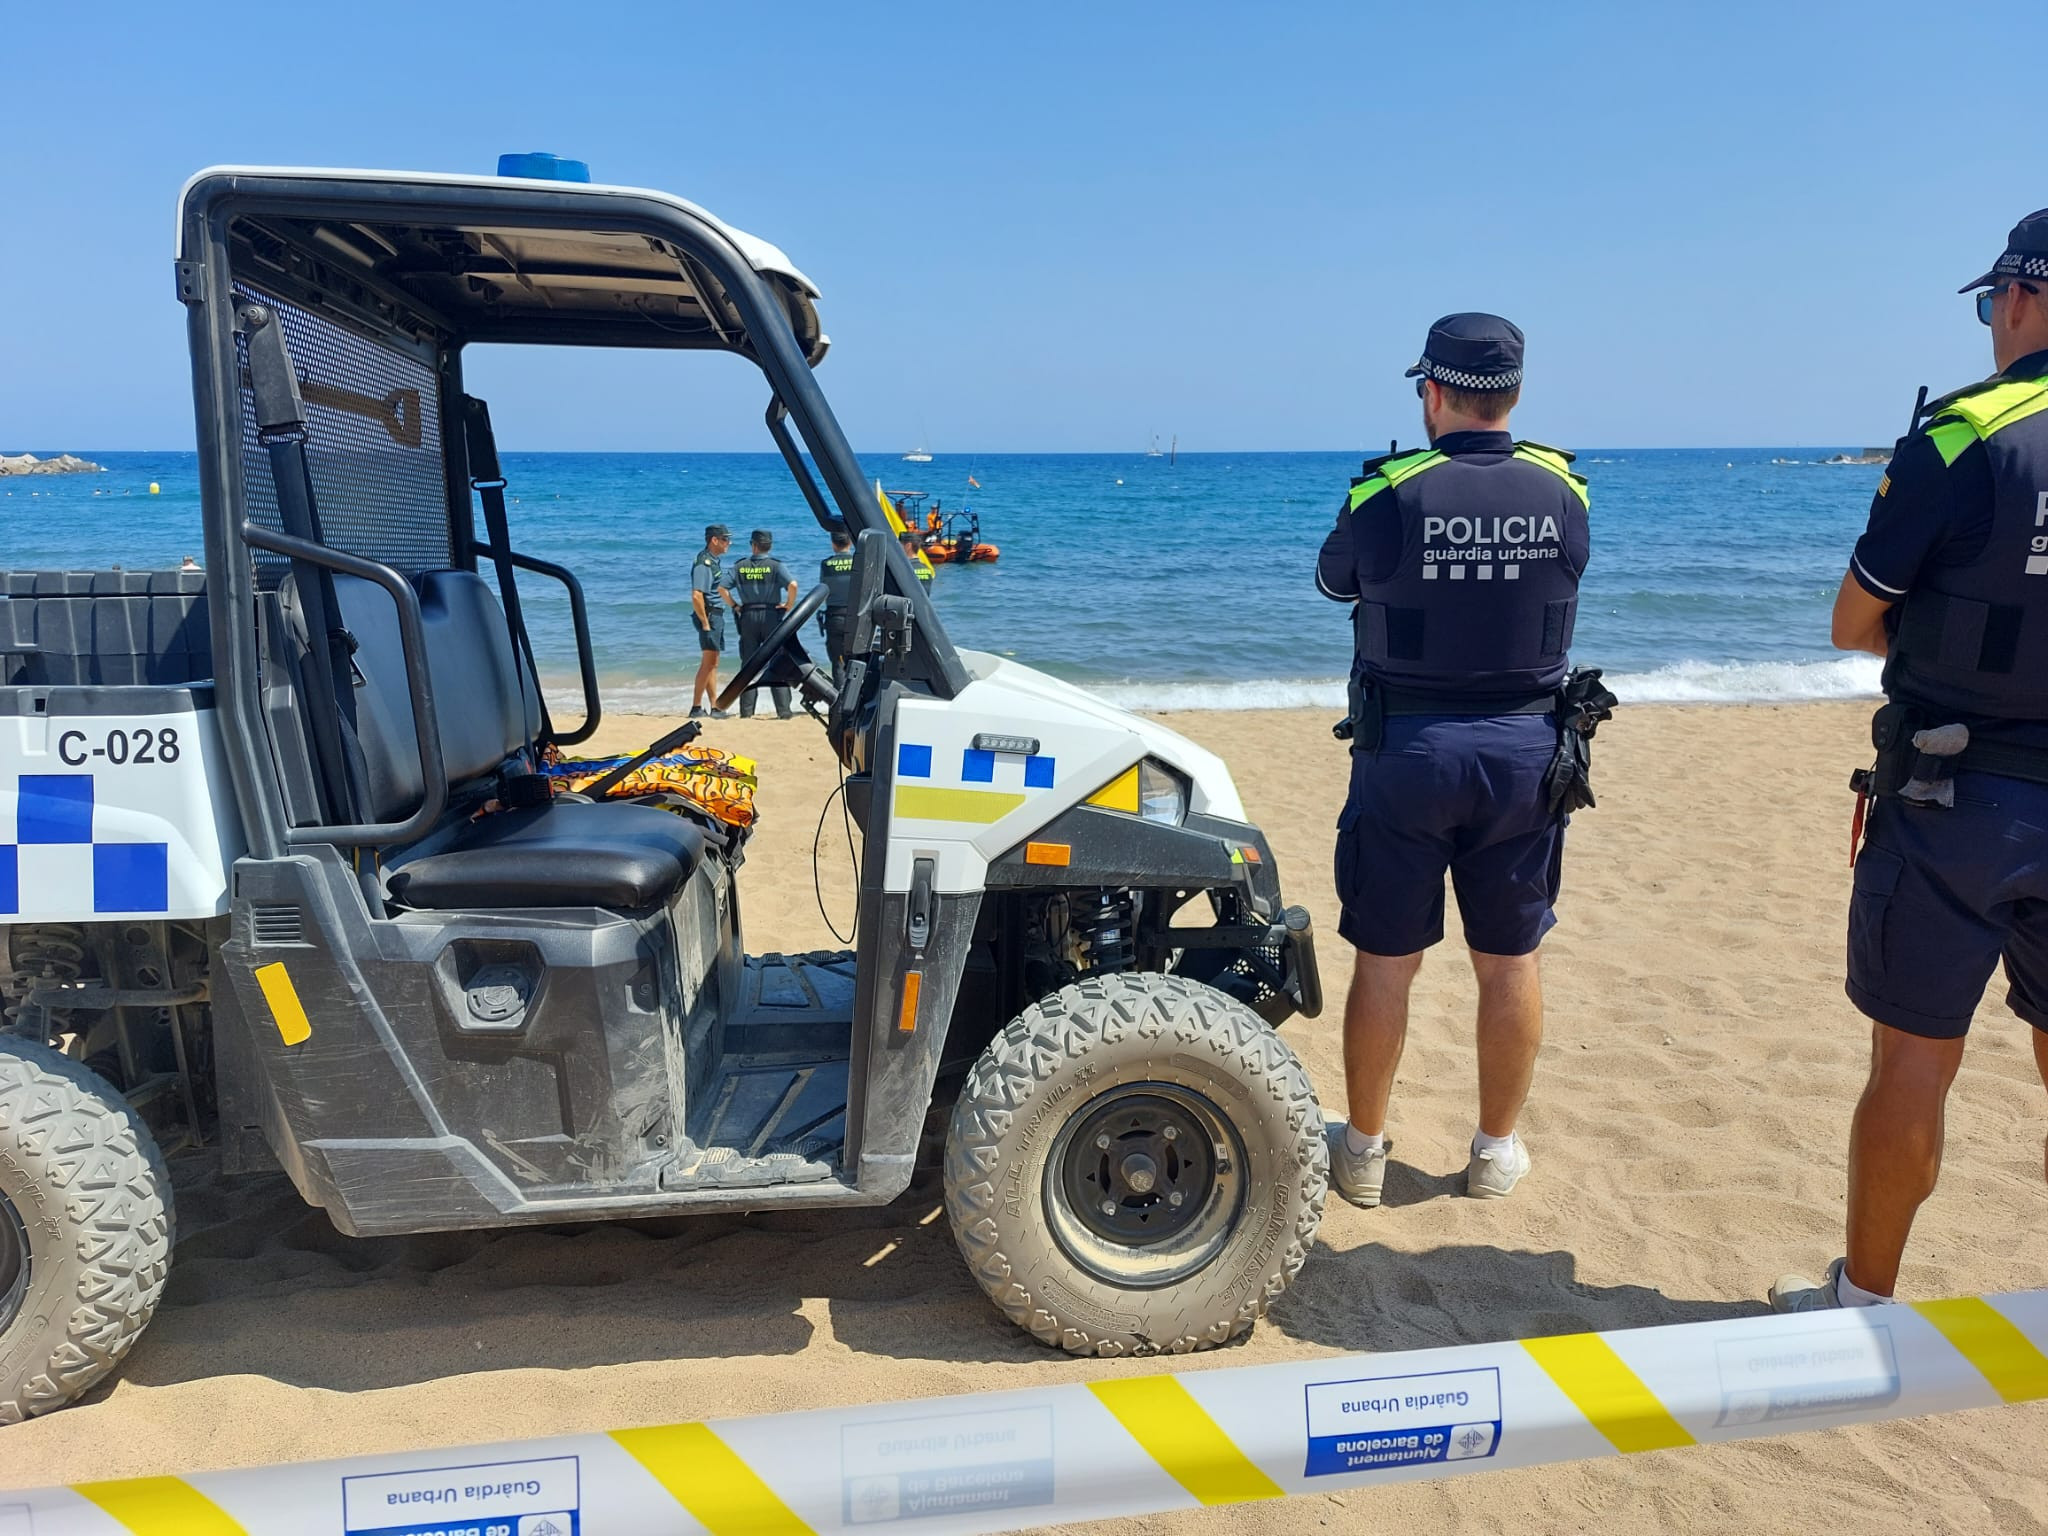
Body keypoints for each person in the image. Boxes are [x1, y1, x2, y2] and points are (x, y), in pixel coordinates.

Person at [1773, 211, 2048, 1313]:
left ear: (2020, 300)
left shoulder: (1960, 434)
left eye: (1991, 304)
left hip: (1957, 795)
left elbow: (1851, 620)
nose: (1990, 323)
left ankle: (1865, 1302)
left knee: (1912, 1064)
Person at [1315, 313, 1591, 1207]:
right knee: (1510, 959)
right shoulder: (1564, 491)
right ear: (1512, 394)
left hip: (1411, 753)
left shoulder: (1388, 492)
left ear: (1432, 393)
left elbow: (1334, 581)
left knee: (1387, 959)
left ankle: (1361, 1151)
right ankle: (1494, 1152)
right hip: (1527, 757)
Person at [724, 528, 799, 719]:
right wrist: (788, 605)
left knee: (748, 665)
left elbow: (721, 588)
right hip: (771, 615)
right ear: (769, 546)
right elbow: (793, 585)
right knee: (777, 662)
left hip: (748, 616)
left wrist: (734, 605)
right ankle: (783, 712)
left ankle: (746, 712)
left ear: (754, 545)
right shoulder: (775, 566)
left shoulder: (740, 566)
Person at [689, 523, 733, 719]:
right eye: (725, 539)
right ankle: (696, 706)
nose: (728, 543)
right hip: (710, 616)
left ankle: (714, 706)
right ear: (714, 540)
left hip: (716, 615)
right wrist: (705, 623)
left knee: (713, 663)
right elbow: (697, 595)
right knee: (708, 663)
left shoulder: (713, 561)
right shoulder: (703, 563)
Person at [819, 527, 858, 684]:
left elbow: (823, 590)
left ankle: (839, 702)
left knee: (838, 663)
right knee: (857, 663)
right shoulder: (858, 563)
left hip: (834, 618)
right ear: (850, 543)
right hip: (857, 617)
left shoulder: (826, 564)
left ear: (833, 544)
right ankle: (857, 702)